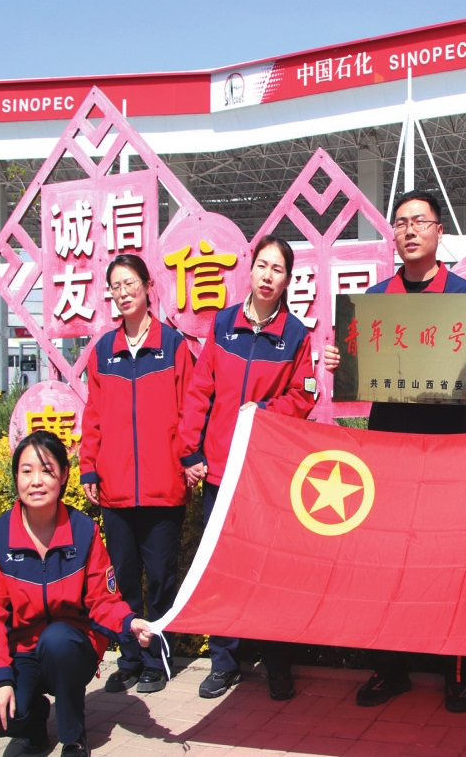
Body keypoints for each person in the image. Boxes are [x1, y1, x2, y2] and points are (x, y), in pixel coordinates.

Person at [326, 189, 466, 713]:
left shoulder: (465, 297)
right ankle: (390, 669)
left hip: (445, 452)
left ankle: (455, 672)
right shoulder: (376, 300)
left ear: (439, 231)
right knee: (388, 562)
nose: (409, 230)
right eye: (400, 222)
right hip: (388, 452)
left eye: (419, 221)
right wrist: (339, 359)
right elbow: (356, 366)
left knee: (447, 562)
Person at [179, 234, 326, 702]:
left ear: (288, 280)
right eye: (262, 265)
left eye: (277, 269)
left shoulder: (296, 335)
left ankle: (277, 664)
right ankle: (224, 663)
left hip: (266, 474)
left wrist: (263, 410)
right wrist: (190, 451)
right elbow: (200, 389)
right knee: (222, 569)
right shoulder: (223, 324)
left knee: (270, 571)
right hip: (220, 471)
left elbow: (304, 396)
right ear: (250, 268)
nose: (267, 276)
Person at [0, 430, 154, 757]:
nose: (36, 481)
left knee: (57, 638)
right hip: (23, 652)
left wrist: (129, 623)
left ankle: (73, 736)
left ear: (63, 476)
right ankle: (35, 723)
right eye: (26, 471)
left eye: (47, 471)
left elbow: (103, 599)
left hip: (72, 649)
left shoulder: (84, 531)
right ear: (16, 477)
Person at [80, 253, 193, 695]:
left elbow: (189, 411)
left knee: (161, 578)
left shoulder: (173, 346)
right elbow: (93, 415)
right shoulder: (103, 351)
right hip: (116, 488)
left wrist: (188, 459)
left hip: (164, 486)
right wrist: (89, 468)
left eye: (131, 283)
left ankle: (156, 660)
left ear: (148, 287)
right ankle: (128, 658)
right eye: (116, 286)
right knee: (123, 579)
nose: (123, 292)